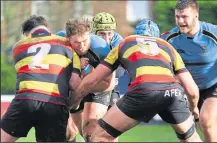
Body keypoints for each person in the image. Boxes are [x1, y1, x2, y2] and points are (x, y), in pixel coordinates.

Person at [72, 19, 202, 142]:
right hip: (173, 93)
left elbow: (93, 79)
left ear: (136, 34)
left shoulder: (126, 42)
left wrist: (73, 101)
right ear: (158, 37)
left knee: (99, 135)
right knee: (190, 137)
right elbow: (192, 89)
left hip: (143, 90)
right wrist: (194, 109)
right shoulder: (168, 47)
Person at [0, 15, 81, 142]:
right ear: (47, 28)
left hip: (25, 99)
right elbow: (74, 83)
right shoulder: (67, 44)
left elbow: (23, 73)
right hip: (54, 103)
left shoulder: (18, 47)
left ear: (27, 34)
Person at [160, 0, 217, 141]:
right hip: (186, 90)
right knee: (187, 131)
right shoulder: (169, 38)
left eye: (184, 17)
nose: (180, 21)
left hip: (213, 85)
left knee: (206, 122)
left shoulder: (213, 33)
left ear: (196, 16)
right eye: (177, 17)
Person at [58, 18, 116, 142]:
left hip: (96, 86)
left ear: (90, 35)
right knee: (66, 133)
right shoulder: (58, 43)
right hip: (72, 88)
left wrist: (80, 87)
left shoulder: (102, 48)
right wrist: (75, 64)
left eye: (85, 41)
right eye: (77, 42)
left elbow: (108, 84)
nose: (82, 46)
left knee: (91, 132)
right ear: (67, 38)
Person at [91, 12, 129, 108]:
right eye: (102, 34)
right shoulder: (87, 41)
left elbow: (121, 72)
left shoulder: (119, 43)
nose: (107, 39)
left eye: (109, 33)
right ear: (94, 32)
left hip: (111, 85)